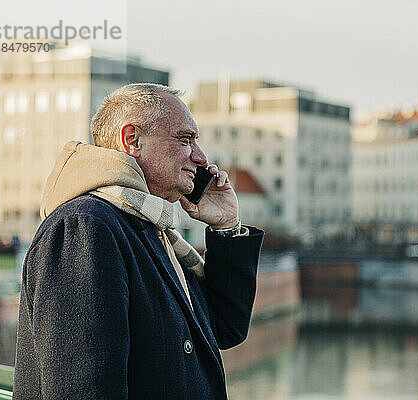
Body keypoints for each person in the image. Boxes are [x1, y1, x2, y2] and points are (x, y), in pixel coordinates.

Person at [13, 83, 264, 399]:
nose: (201, 158)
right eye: (185, 140)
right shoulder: (85, 226)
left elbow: (223, 328)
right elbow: (84, 389)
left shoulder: (147, 227)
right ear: (132, 140)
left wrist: (226, 226)